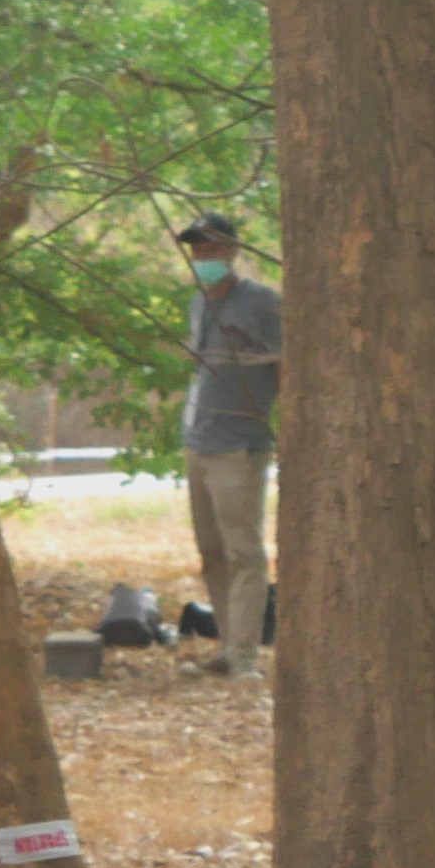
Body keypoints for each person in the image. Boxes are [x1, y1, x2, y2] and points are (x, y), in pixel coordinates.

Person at [175, 213, 280, 679]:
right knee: (212, 552)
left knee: (244, 553)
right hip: (199, 442)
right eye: (196, 249)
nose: (203, 257)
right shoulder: (199, 304)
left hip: (239, 446)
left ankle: (244, 656)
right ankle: (225, 643)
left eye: (212, 248)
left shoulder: (262, 303)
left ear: (233, 251)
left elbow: (285, 365)